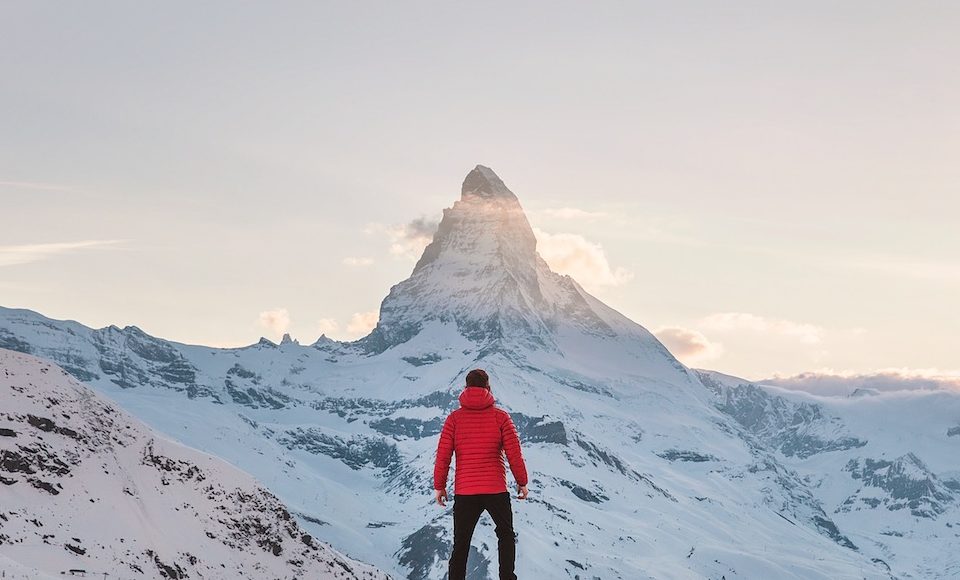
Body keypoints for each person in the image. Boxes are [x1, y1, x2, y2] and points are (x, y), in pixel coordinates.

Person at [433, 368, 529, 580]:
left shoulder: (454, 419)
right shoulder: (501, 417)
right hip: (495, 489)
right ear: (488, 388)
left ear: (466, 388)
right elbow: (514, 453)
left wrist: (439, 486)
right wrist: (522, 482)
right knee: (505, 535)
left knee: (461, 544)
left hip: (466, 492)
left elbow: (443, 455)